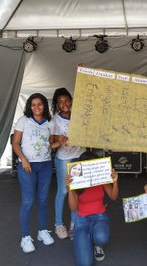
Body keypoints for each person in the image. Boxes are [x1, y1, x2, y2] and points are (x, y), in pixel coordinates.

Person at [12, 93, 55, 253]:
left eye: (40, 104)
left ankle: (42, 231)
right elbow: (15, 143)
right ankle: (25, 237)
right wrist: (23, 159)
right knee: (28, 201)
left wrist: (62, 141)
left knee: (43, 200)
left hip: (45, 165)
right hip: (27, 166)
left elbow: (48, 145)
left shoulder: (49, 123)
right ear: (29, 106)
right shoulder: (24, 121)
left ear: (45, 105)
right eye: (33, 104)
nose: (37, 107)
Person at [66, 151, 119, 266]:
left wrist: (115, 182)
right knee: (85, 263)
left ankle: (96, 243)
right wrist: (70, 188)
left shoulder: (101, 177)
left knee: (101, 238)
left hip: (99, 216)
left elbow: (113, 197)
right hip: (82, 220)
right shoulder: (78, 180)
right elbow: (73, 208)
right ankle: (88, 236)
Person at [51, 87, 86, 239]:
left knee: (76, 190)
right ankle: (58, 224)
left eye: (66, 100)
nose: (64, 104)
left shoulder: (79, 116)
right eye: (60, 102)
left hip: (79, 156)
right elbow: (50, 141)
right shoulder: (55, 120)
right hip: (64, 158)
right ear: (57, 105)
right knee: (63, 191)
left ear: (71, 101)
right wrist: (59, 140)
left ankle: (74, 223)